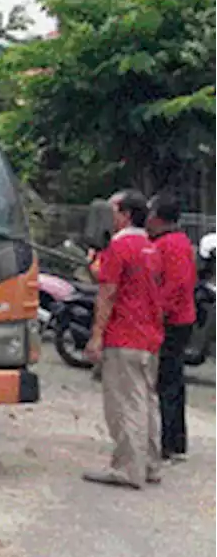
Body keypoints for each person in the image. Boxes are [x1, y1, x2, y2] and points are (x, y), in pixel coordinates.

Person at [83, 189, 165, 489]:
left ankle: (127, 468)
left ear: (125, 215)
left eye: (113, 210)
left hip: (124, 335)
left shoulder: (120, 249)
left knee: (123, 405)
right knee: (146, 402)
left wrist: (96, 336)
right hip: (149, 336)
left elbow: (108, 293)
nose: (110, 215)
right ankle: (150, 464)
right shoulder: (151, 248)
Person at [147, 192, 196, 462]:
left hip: (172, 321)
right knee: (172, 380)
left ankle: (169, 441)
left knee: (167, 380)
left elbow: (174, 285)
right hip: (179, 318)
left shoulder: (170, 245)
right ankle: (173, 440)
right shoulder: (176, 242)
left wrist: (157, 313)